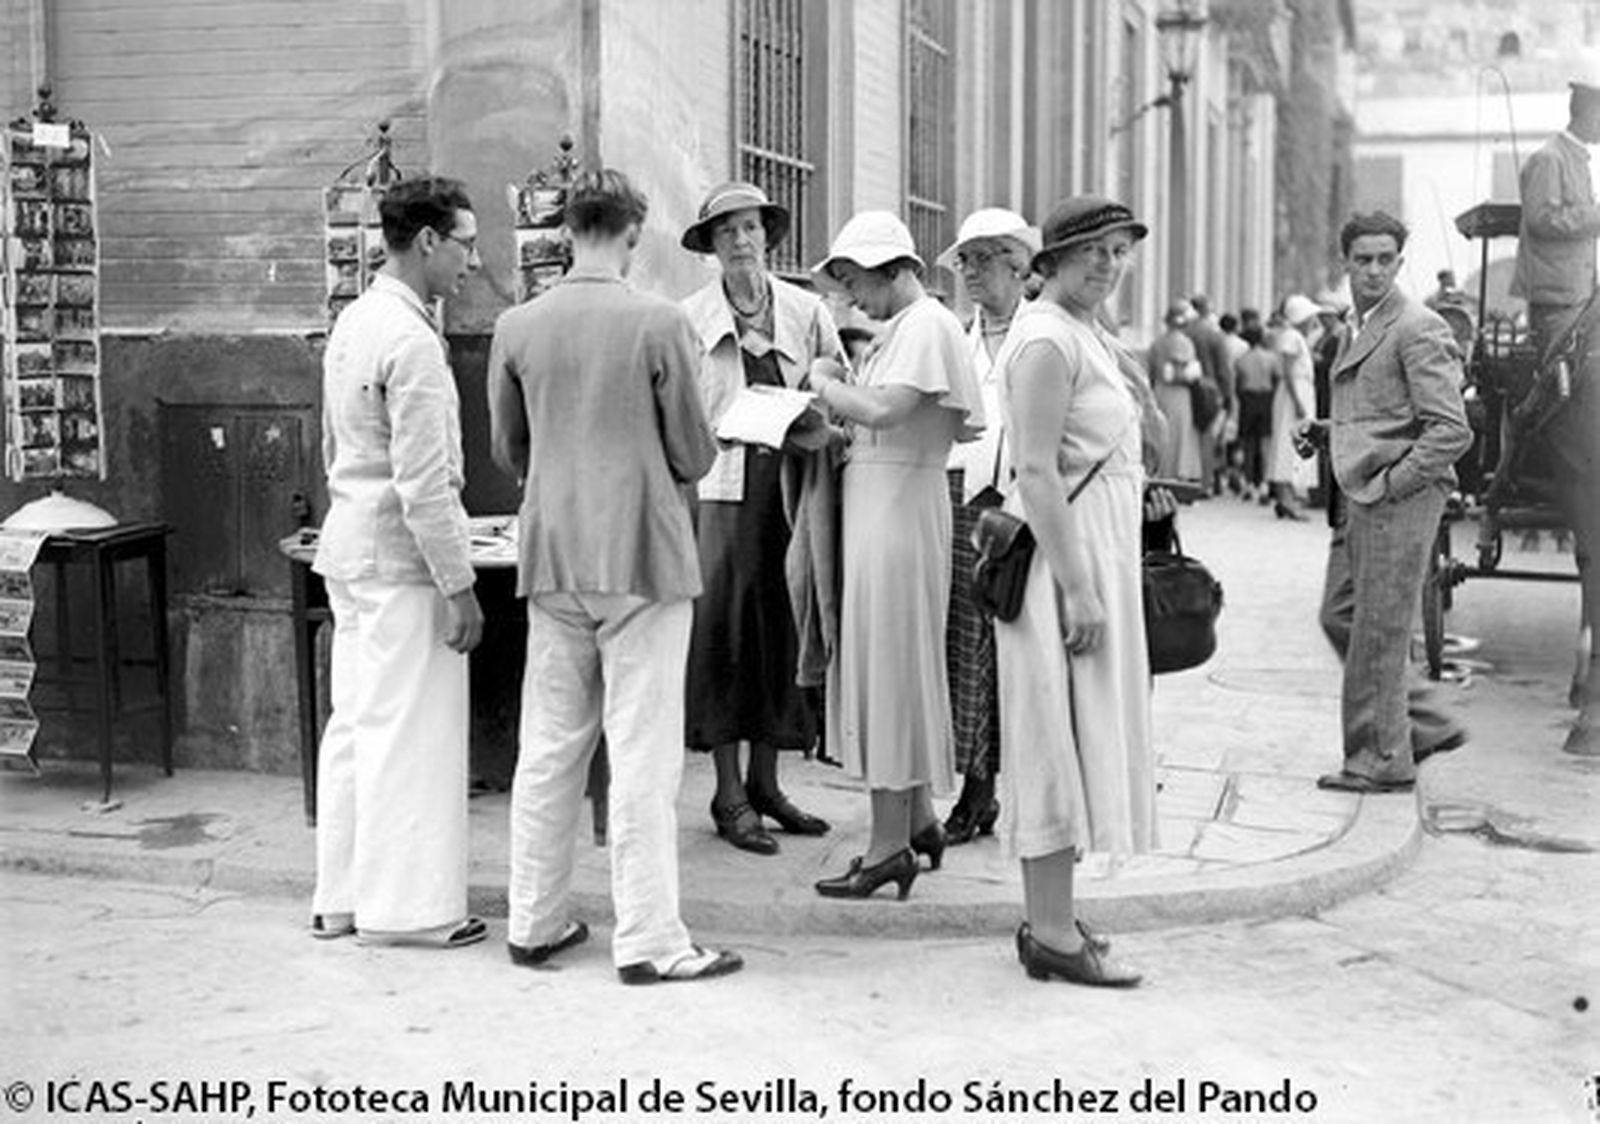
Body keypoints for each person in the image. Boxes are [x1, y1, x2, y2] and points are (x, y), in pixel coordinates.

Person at [487, 168, 742, 983]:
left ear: (566, 231)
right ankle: (649, 940)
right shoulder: (659, 323)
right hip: (642, 556)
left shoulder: (517, 326)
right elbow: (695, 452)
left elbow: (509, 449)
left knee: (549, 746)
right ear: (634, 234)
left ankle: (534, 919)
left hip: (555, 551)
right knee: (642, 754)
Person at [310, 175, 487, 949]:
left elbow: (332, 446)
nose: (472, 263)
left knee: (354, 725)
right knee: (411, 734)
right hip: (401, 559)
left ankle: (340, 898)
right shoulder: (412, 340)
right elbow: (424, 482)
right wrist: (460, 584)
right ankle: (410, 911)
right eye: (466, 245)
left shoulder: (355, 320)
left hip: (350, 544)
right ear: (427, 242)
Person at [991, 195, 1153, 986]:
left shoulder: (1082, 333)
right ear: (1049, 262)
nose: (1109, 264)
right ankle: (1051, 934)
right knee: (1051, 736)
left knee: (1075, 730)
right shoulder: (1048, 340)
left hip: (1090, 552)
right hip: (1063, 564)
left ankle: (1050, 917)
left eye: (1119, 251)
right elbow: (1034, 471)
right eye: (1093, 250)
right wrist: (1081, 590)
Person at [805, 211, 983, 900]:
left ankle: (887, 848)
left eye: (857, 282)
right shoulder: (907, 330)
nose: (854, 299)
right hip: (887, 500)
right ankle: (914, 819)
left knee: (890, 667)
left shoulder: (928, 326)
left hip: (901, 503)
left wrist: (823, 382)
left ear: (893, 270)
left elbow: (884, 410)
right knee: (892, 663)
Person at [678, 182, 841, 855]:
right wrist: (726, 425)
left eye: (750, 228)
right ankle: (728, 793)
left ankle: (768, 782)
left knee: (784, 621)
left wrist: (815, 405)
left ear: (767, 235)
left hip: (793, 485)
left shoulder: (805, 310)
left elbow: (837, 376)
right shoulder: (688, 318)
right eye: (726, 233)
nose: (741, 242)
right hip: (723, 488)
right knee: (725, 631)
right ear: (712, 247)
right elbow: (682, 406)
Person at [1297, 211, 1473, 794]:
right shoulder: (1361, 324)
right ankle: (1420, 723)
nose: (1373, 270)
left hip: (1398, 496)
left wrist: (1394, 482)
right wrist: (1327, 431)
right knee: (1341, 614)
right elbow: (1383, 412)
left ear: (1400, 262)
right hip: (1361, 492)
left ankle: (1382, 759)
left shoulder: (1416, 326)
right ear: (1345, 263)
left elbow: (1450, 430)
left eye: (1384, 260)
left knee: (1380, 626)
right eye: (1362, 259)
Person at [937, 208, 1040, 845]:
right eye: (965, 261)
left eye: (982, 259)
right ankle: (976, 790)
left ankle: (1010, 788)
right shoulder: (957, 337)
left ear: (1016, 263)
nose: (971, 273)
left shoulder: (1047, 333)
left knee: (1019, 649)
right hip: (963, 503)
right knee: (967, 645)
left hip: (1027, 508)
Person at [1510, 79, 1600, 757]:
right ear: (1587, 113)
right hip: (1558, 307)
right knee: (1569, 371)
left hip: (1587, 295)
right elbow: (1544, 221)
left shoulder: (1582, 162)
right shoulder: (1549, 159)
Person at [1265, 294, 1321, 520]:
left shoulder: (1294, 336)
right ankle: (1288, 498)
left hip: (1299, 391)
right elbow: (1287, 372)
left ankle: (1287, 498)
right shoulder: (1292, 337)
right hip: (1295, 393)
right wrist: (1297, 401)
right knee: (1290, 444)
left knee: (1292, 443)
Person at [1147, 301, 1203, 482]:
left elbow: (1151, 372)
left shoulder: (1158, 342)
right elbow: (1184, 371)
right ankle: (1177, 472)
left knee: (1162, 434)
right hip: (1178, 393)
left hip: (1159, 392)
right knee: (1179, 434)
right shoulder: (1184, 342)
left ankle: (1161, 471)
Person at [1185, 293, 1232, 494]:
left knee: (1190, 436)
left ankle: (1189, 477)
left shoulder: (1186, 332)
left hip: (1187, 388)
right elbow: (1223, 369)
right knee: (1208, 438)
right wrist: (1229, 394)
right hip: (1210, 390)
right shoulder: (1215, 335)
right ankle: (1206, 482)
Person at [1231, 318, 1281, 501]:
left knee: (1248, 444)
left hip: (1248, 399)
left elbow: (1237, 386)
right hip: (1266, 399)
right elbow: (1276, 380)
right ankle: (1265, 485)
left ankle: (1248, 483)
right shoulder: (1271, 358)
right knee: (1265, 444)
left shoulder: (1241, 360)